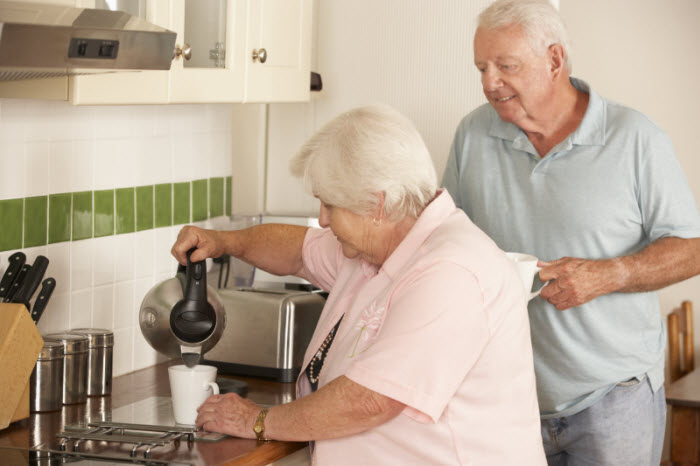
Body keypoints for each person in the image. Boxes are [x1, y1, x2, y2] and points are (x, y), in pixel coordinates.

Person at [172, 105, 546, 465]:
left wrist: (259, 422)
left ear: (376, 205)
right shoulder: (377, 247)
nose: (322, 220)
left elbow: (372, 400)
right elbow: (299, 251)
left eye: (329, 205)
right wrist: (224, 242)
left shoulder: (452, 271)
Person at [442, 0, 700, 464]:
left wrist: (609, 275)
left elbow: (692, 249)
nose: (488, 82)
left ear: (555, 60)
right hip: (506, 399)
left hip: (612, 400)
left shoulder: (635, 138)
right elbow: (447, 244)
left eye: (506, 65)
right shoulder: (471, 136)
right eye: (482, 67)